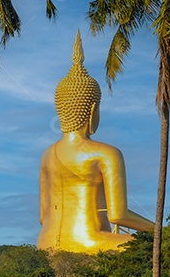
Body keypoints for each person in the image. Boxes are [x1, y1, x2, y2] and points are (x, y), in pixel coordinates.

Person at [37, 31, 153, 254]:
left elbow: (43, 217)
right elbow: (118, 215)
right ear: (92, 111)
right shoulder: (105, 153)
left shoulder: (47, 155)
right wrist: (161, 231)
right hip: (90, 243)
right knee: (148, 247)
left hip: (45, 245)